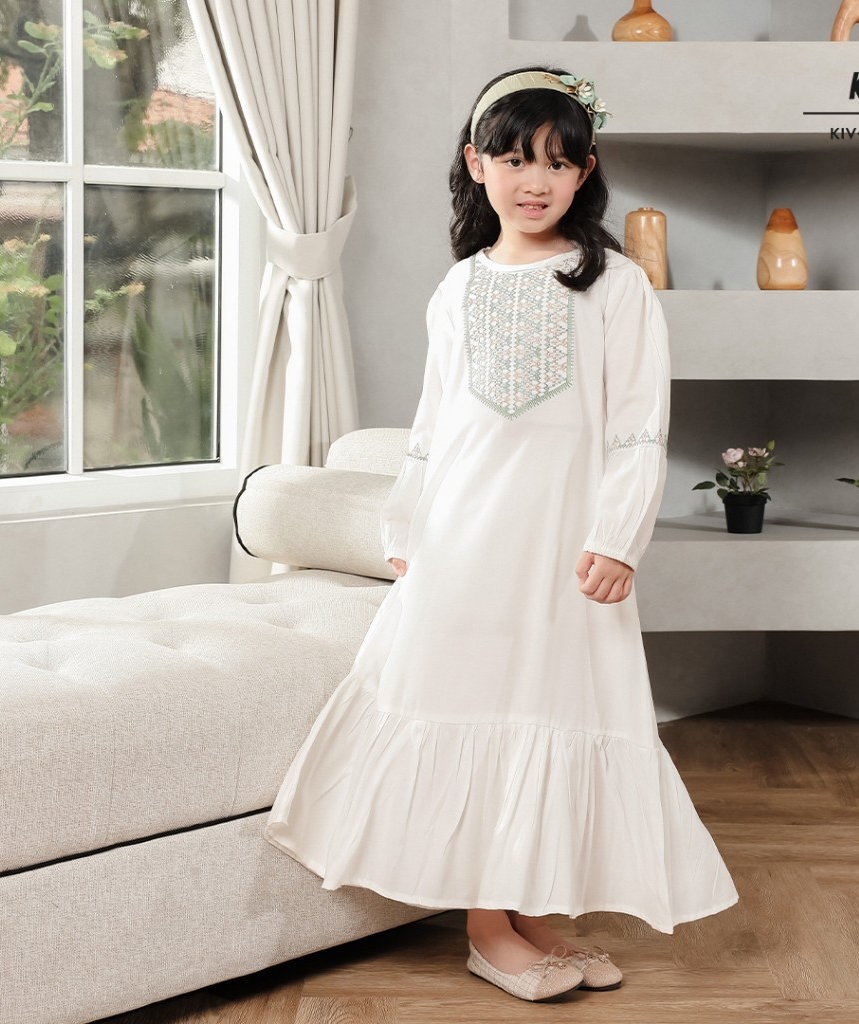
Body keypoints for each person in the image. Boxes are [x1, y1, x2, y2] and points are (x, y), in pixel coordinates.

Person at [264, 65, 738, 1003]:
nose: (535, 180)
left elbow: (639, 427)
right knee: (483, 708)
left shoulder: (617, 285)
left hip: (564, 545)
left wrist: (619, 536)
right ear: (476, 164)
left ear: (585, 172)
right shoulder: (458, 288)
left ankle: (529, 916)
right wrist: (405, 522)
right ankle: (488, 930)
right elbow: (434, 425)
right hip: (464, 544)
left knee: (554, 711)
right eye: (515, 159)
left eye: (557, 163)